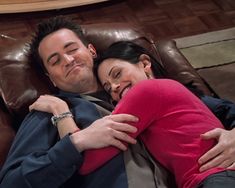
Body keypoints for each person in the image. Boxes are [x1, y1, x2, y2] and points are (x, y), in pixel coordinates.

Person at [0, 16, 234, 188]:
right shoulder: (48, 112)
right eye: (55, 60)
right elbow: (12, 182)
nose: (68, 60)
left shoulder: (140, 84)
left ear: (91, 51)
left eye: (72, 49)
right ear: (50, 77)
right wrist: (76, 142)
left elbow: (219, 108)